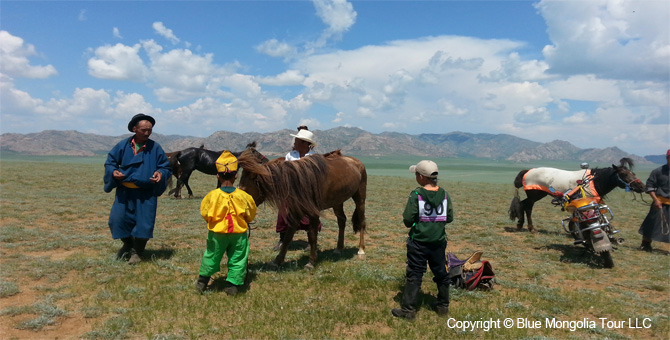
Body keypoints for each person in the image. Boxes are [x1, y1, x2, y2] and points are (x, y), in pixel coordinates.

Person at [104, 113, 172, 265]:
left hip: (145, 192)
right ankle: (128, 244)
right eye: (143, 130)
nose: (147, 133)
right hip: (124, 192)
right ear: (134, 129)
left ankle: (137, 252)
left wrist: (160, 173)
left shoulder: (155, 148)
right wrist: (113, 172)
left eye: (150, 130)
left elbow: (165, 166)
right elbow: (110, 163)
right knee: (117, 220)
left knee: (144, 223)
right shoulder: (122, 145)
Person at [392, 160, 453, 320]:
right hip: (439, 242)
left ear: (421, 177)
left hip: (418, 242)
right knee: (441, 273)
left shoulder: (416, 195)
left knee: (415, 273)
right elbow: (450, 217)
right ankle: (443, 306)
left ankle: (408, 310)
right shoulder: (445, 194)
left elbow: (407, 219)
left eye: (416, 175)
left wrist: (417, 223)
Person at [196, 151, 257, 295]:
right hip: (239, 235)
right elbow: (251, 213)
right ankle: (233, 285)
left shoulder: (211, 196)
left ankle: (202, 281)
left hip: (217, 234)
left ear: (218, 175)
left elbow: (205, 213)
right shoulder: (245, 196)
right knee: (238, 258)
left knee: (212, 255)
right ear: (236, 176)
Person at [273, 126, 322, 251]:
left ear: (305, 143)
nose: (294, 143)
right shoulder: (290, 155)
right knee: (284, 213)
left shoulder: (314, 157)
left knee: (310, 215)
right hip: (291, 189)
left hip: (307, 191)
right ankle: (282, 240)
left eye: (297, 140)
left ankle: (311, 243)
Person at [638, 149, 670, 252]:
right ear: (667, 157)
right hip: (660, 202)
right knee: (651, 224)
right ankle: (645, 244)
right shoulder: (658, 171)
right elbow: (650, 186)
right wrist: (655, 199)